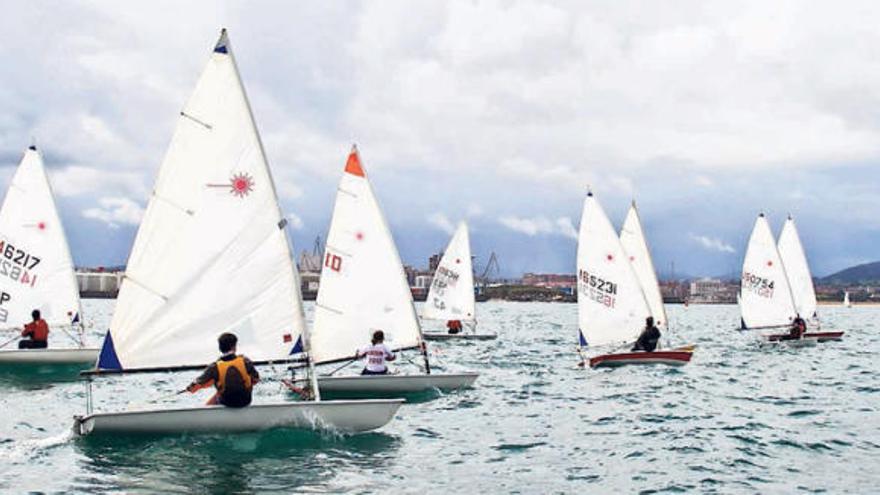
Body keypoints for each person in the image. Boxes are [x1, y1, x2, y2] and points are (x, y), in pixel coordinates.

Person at [186, 332, 260, 407]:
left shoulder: (214, 366)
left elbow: (194, 388)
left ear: (220, 348)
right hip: (245, 400)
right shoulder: (245, 361)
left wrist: (190, 388)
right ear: (234, 347)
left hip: (227, 402)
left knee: (218, 391)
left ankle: (205, 412)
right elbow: (256, 379)